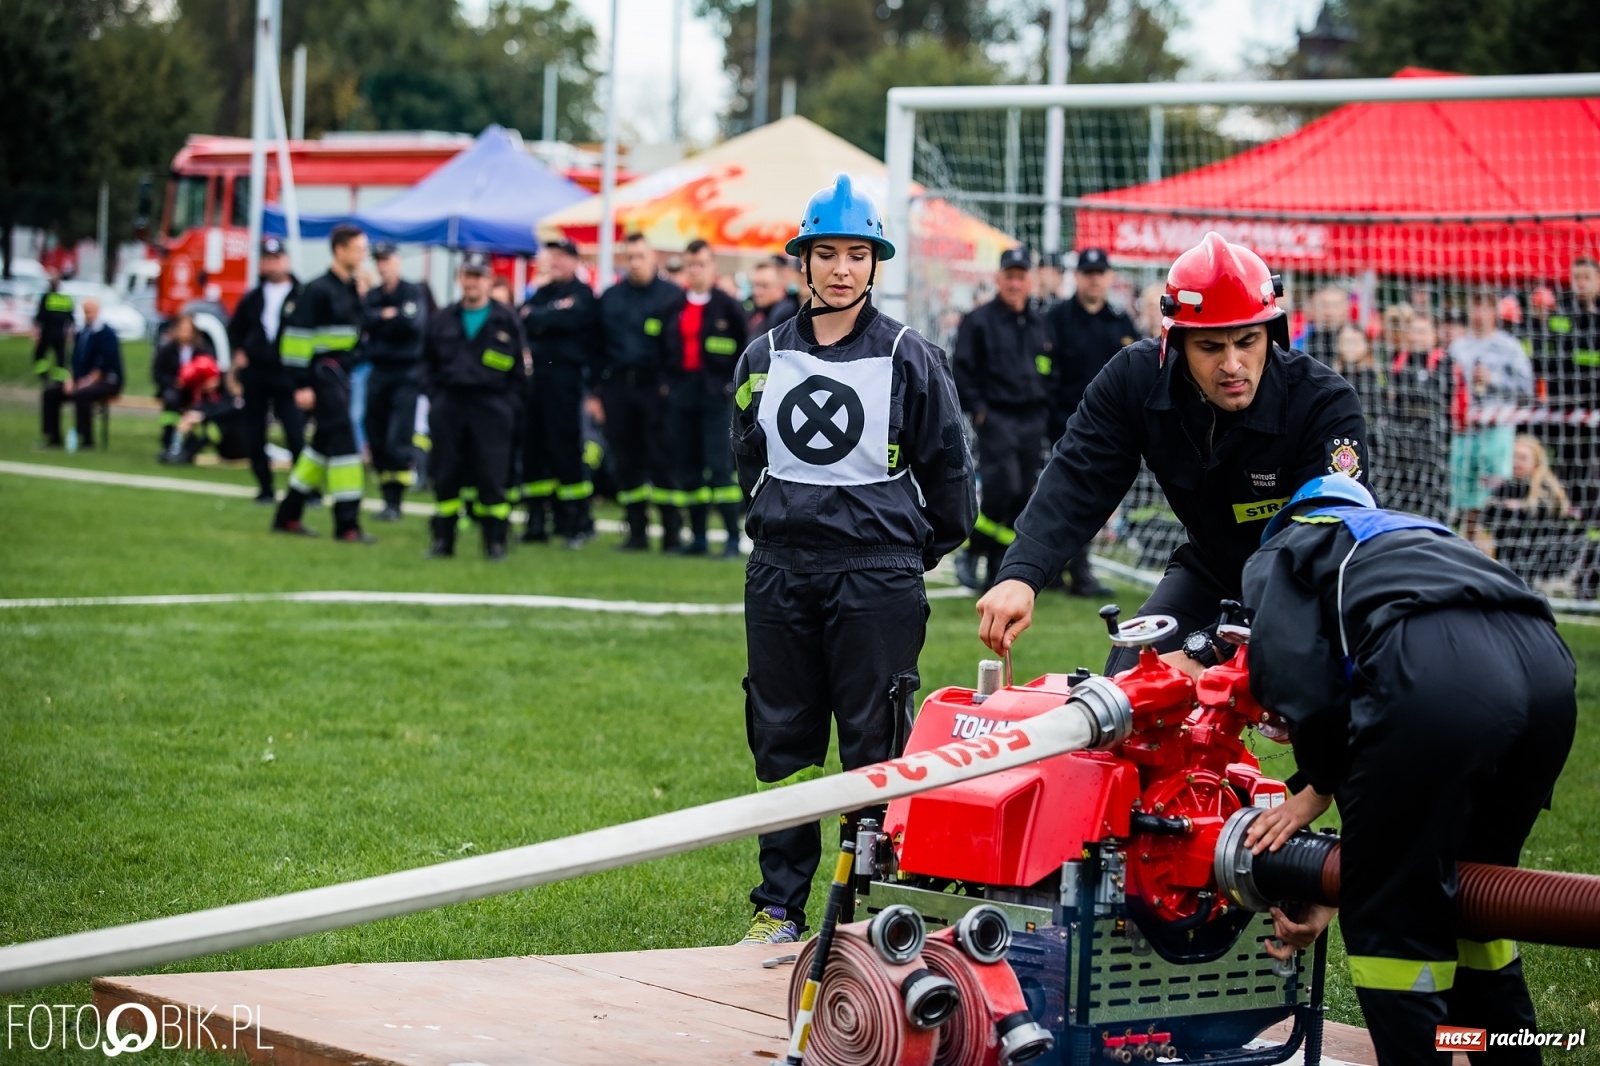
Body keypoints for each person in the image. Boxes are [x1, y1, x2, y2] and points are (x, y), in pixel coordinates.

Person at [1239, 473, 1575, 1066]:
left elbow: (1293, 668)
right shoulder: (1420, 535)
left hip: (1444, 676)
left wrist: (1316, 786)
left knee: (1393, 925)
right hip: (1547, 674)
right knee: (1479, 904)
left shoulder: (1292, 541)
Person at [730, 174, 975, 944]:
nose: (841, 269)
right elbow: (748, 460)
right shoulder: (761, 356)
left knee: (876, 745)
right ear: (802, 264)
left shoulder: (910, 355)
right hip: (780, 572)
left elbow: (951, 475)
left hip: (878, 579)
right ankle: (780, 906)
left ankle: (869, 902)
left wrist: (901, 552)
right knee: (782, 738)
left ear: (876, 265)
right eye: (827, 254)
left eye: (857, 255)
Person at [974, 231, 1368, 677]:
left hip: (1308, 591)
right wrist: (1020, 574)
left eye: (1247, 342)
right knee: (1127, 686)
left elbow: (1329, 543)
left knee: (1331, 728)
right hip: (1211, 571)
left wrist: (1211, 647)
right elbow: (1078, 478)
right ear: (1175, 343)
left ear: (1272, 335)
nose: (1233, 365)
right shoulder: (1133, 380)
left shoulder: (1324, 404)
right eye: (1210, 347)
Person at [951, 246, 1056, 593]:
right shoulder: (979, 321)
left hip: (1031, 420)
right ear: (998, 279)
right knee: (1001, 490)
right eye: (1009, 276)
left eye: (1021, 276)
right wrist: (979, 410)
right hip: (996, 417)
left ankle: (998, 560)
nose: (1015, 283)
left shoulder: (1041, 324)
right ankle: (971, 549)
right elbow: (962, 371)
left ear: (1031, 280)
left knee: (1022, 495)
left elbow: (1050, 371)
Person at [422, 252, 529, 560]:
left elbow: (521, 371)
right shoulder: (442, 318)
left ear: (489, 280)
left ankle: (494, 542)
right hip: (450, 404)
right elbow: (425, 363)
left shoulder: (506, 319)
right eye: (467, 275)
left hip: (491, 406)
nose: (472, 282)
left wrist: (507, 404)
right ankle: (443, 541)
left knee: (492, 476)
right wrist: (435, 396)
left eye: (478, 276)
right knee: (445, 473)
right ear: (460, 278)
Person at [272, 223, 374, 543]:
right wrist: (301, 384)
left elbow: (357, 333)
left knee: (319, 450)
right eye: (358, 249)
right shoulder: (317, 289)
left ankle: (288, 514)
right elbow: (295, 340)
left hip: (342, 375)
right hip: (323, 376)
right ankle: (347, 524)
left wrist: (363, 298)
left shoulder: (350, 288)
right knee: (345, 450)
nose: (363, 256)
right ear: (339, 250)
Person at [1046, 246, 1137, 597]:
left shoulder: (1120, 322)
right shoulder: (1056, 319)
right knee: (1060, 496)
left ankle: (1077, 570)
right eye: (1088, 274)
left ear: (1108, 278)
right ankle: (1062, 569)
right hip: (1062, 422)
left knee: (1093, 498)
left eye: (1100, 274)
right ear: (1078, 277)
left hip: (1109, 427)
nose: (1095, 280)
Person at [595, 233, 684, 551]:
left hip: (656, 390)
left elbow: (679, 346)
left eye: (641, 256)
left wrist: (669, 384)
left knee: (663, 460)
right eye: (630, 257)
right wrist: (596, 392)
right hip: (618, 388)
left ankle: (672, 532)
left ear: (654, 258)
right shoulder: (611, 297)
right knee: (626, 460)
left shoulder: (672, 296)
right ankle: (636, 531)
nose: (635, 263)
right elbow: (597, 346)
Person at [665, 239, 748, 557]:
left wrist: (730, 386)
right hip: (682, 394)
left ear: (712, 267)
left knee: (719, 466)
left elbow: (745, 350)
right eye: (690, 265)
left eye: (701, 264)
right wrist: (668, 384)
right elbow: (663, 349)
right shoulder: (674, 307)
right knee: (688, 465)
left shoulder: (728, 306)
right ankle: (698, 537)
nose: (695, 271)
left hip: (716, 396)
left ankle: (730, 536)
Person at [520, 238, 600, 548]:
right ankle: (536, 520)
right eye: (552, 257)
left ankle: (576, 522)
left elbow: (568, 319)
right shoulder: (541, 293)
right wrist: (550, 315)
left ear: (574, 261)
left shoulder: (582, 295)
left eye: (562, 257)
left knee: (566, 451)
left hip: (565, 383)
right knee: (533, 451)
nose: (556, 262)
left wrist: (545, 317)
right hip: (535, 383)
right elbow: (525, 318)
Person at [1448, 288, 1533, 537]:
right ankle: (1462, 543)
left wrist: (1493, 379)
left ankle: (1491, 546)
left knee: (1492, 494)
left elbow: (1527, 389)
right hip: (1464, 431)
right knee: (1463, 494)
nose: (1479, 313)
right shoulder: (1457, 346)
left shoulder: (1509, 346)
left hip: (1497, 432)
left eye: (1485, 306)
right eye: (1475, 306)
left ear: (1495, 311)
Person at [228, 237, 304, 504]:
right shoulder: (253, 297)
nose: (272, 264)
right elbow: (235, 329)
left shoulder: (301, 295)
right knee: (255, 431)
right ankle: (265, 487)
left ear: (286, 259)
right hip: (257, 372)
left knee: (295, 432)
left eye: (276, 258)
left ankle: (304, 489)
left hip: (287, 372)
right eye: (267, 259)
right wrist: (239, 352)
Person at [363, 242, 428, 521]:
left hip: (406, 373)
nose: (382, 265)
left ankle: (395, 501)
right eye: (378, 260)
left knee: (397, 438)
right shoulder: (374, 295)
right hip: (378, 372)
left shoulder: (411, 291)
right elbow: (364, 320)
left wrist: (383, 320)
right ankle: (386, 496)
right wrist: (387, 317)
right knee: (376, 435)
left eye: (387, 259)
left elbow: (411, 324)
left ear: (397, 261)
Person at [1383, 314, 1455, 521]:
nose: (1417, 337)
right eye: (1413, 331)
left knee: (1432, 492)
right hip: (1400, 438)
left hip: (1433, 438)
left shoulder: (1443, 361)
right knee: (1400, 488)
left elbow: (1442, 399)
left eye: (1422, 331)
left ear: (1434, 335)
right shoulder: (1397, 360)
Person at [42, 297, 123, 450]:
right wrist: (70, 380)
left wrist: (87, 381)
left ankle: (86, 439)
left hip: (107, 381)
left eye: (90, 311)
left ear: (98, 312)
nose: (88, 315)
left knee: (82, 393)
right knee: (51, 393)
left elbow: (105, 364)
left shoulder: (106, 334)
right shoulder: (81, 333)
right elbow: (74, 361)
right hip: (81, 379)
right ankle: (53, 437)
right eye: (85, 312)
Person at [159, 356, 250, 466]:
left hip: (242, 444)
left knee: (214, 426)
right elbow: (205, 407)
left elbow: (231, 409)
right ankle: (176, 448)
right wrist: (191, 416)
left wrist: (203, 415)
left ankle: (187, 453)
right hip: (227, 445)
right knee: (197, 423)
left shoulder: (236, 394)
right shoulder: (210, 393)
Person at [151, 313, 215, 456]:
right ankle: (168, 438)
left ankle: (195, 442)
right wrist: (174, 382)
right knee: (171, 402)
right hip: (174, 390)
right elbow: (158, 373)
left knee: (205, 406)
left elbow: (211, 369)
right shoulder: (168, 350)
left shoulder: (202, 349)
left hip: (196, 391)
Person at [32, 273, 75, 445]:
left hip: (48, 333)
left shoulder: (47, 297)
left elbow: (40, 316)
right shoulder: (65, 298)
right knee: (60, 359)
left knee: (40, 356)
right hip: (60, 335)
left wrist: (36, 331)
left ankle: (45, 376)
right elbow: (71, 318)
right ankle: (57, 377)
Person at [1299, 285, 1349, 368]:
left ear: (1346, 309)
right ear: (1313, 309)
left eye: (1335, 306)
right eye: (1323, 306)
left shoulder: (1356, 340)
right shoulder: (1302, 341)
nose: (1329, 312)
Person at [745, 259, 798, 334]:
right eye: (754, 285)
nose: (757, 292)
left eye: (764, 286)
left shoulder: (787, 315)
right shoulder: (757, 312)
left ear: (781, 288)